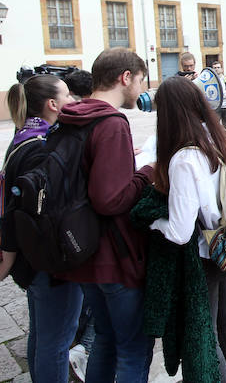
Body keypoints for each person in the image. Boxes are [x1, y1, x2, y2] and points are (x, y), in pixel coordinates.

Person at [54, 48, 156, 381]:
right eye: (141, 80)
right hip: (114, 255)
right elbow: (111, 200)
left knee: (105, 340)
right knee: (132, 349)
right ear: (125, 77)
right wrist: (146, 174)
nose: (141, 89)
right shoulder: (112, 123)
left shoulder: (73, 116)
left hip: (84, 252)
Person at [150, 76, 226, 382]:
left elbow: (179, 230)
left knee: (207, 335)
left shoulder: (183, 158)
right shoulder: (216, 137)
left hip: (204, 255)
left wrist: (153, 221)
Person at [0, 74, 80, 382]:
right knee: (56, 342)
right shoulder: (41, 148)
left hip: (34, 259)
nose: (73, 101)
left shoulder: (23, 137)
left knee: (42, 335)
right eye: (67, 96)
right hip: (49, 262)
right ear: (53, 104)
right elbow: (27, 210)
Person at [211, 61, 226, 132]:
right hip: (216, 107)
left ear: (221, 69)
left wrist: (218, 94)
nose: (216, 69)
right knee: (215, 127)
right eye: (214, 68)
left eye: (218, 67)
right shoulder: (211, 81)